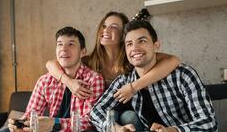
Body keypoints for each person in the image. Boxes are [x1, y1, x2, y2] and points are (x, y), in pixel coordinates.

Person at [90, 19, 227, 132]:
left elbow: (208, 122)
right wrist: (116, 130)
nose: (135, 48)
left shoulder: (183, 75)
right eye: (129, 43)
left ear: (156, 45)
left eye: (142, 41)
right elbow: (95, 111)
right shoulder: (124, 80)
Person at [0, 26, 104, 132]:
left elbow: (90, 121)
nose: (64, 49)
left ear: (83, 52)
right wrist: (21, 125)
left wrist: (55, 123)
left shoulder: (94, 79)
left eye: (71, 44)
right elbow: (31, 115)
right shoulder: (45, 80)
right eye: (60, 44)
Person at [46, 11, 180, 103]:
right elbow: (50, 64)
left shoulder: (133, 58)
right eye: (104, 26)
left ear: (124, 35)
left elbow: (173, 60)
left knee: (128, 117)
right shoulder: (90, 61)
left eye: (114, 27)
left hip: (127, 109)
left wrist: (134, 87)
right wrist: (69, 83)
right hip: (98, 112)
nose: (106, 30)